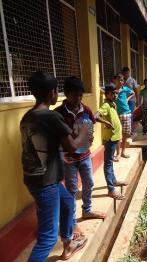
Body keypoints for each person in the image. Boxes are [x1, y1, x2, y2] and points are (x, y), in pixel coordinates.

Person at [20, 72, 88, 261]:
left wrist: (58, 155)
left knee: (67, 203)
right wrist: (84, 131)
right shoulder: (50, 116)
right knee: (48, 238)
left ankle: (68, 245)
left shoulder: (28, 117)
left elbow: (39, 145)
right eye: (56, 90)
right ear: (52, 93)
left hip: (38, 177)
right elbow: (73, 147)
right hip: (45, 182)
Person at [55, 77, 106, 239]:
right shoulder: (58, 114)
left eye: (80, 95)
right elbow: (54, 138)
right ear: (67, 94)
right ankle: (72, 221)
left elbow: (90, 127)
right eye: (75, 95)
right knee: (71, 189)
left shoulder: (87, 110)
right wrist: (61, 155)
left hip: (85, 156)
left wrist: (89, 138)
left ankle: (87, 210)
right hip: (69, 159)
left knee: (89, 182)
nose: (78, 99)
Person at [95, 84, 128, 199]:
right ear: (107, 94)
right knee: (108, 163)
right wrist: (106, 123)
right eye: (112, 93)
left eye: (116, 93)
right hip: (110, 139)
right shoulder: (105, 105)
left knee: (110, 161)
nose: (115, 95)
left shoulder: (112, 104)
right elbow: (95, 116)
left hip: (114, 138)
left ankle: (113, 181)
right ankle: (111, 189)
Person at [112, 74, 135, 159]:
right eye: (119, 80)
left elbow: (133, 93)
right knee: (118, 135)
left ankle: (123, 152)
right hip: (117, 115)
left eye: (122, 80)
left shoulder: (125, 89)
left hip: (127, 114)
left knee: (125, 135)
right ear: (114, 80)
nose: (121, 82)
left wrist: (127, 99)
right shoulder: (113, 90)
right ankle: (118, 154)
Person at [122, 67, 138, 135]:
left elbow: (136, 90)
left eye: (128, 73)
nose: (126, 74)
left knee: (130, 115)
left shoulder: (132, 80)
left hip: (131, 100)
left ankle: (130, 131)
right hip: (123, 100)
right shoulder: (121, 80)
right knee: (124, 115)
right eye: (125, 73)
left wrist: (137, 100)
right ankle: (125, 130)